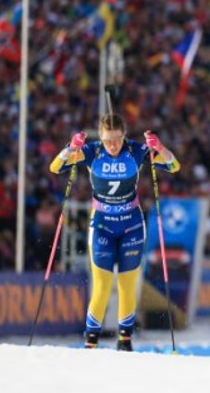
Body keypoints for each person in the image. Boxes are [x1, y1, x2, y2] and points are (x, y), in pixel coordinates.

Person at [49, 114, 179, 351]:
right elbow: (56, 167)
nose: (112, 145)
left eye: (117, 139)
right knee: (102, 284)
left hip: (131, 224)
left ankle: (125, 339)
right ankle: (91, 341)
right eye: (108, 140)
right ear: (101, 137)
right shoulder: (92, 152)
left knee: (127, 284)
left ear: (124, 135)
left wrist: (159, 147)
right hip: (102, 224)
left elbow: (173, 165)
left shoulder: (136, 150)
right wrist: (69, 148)